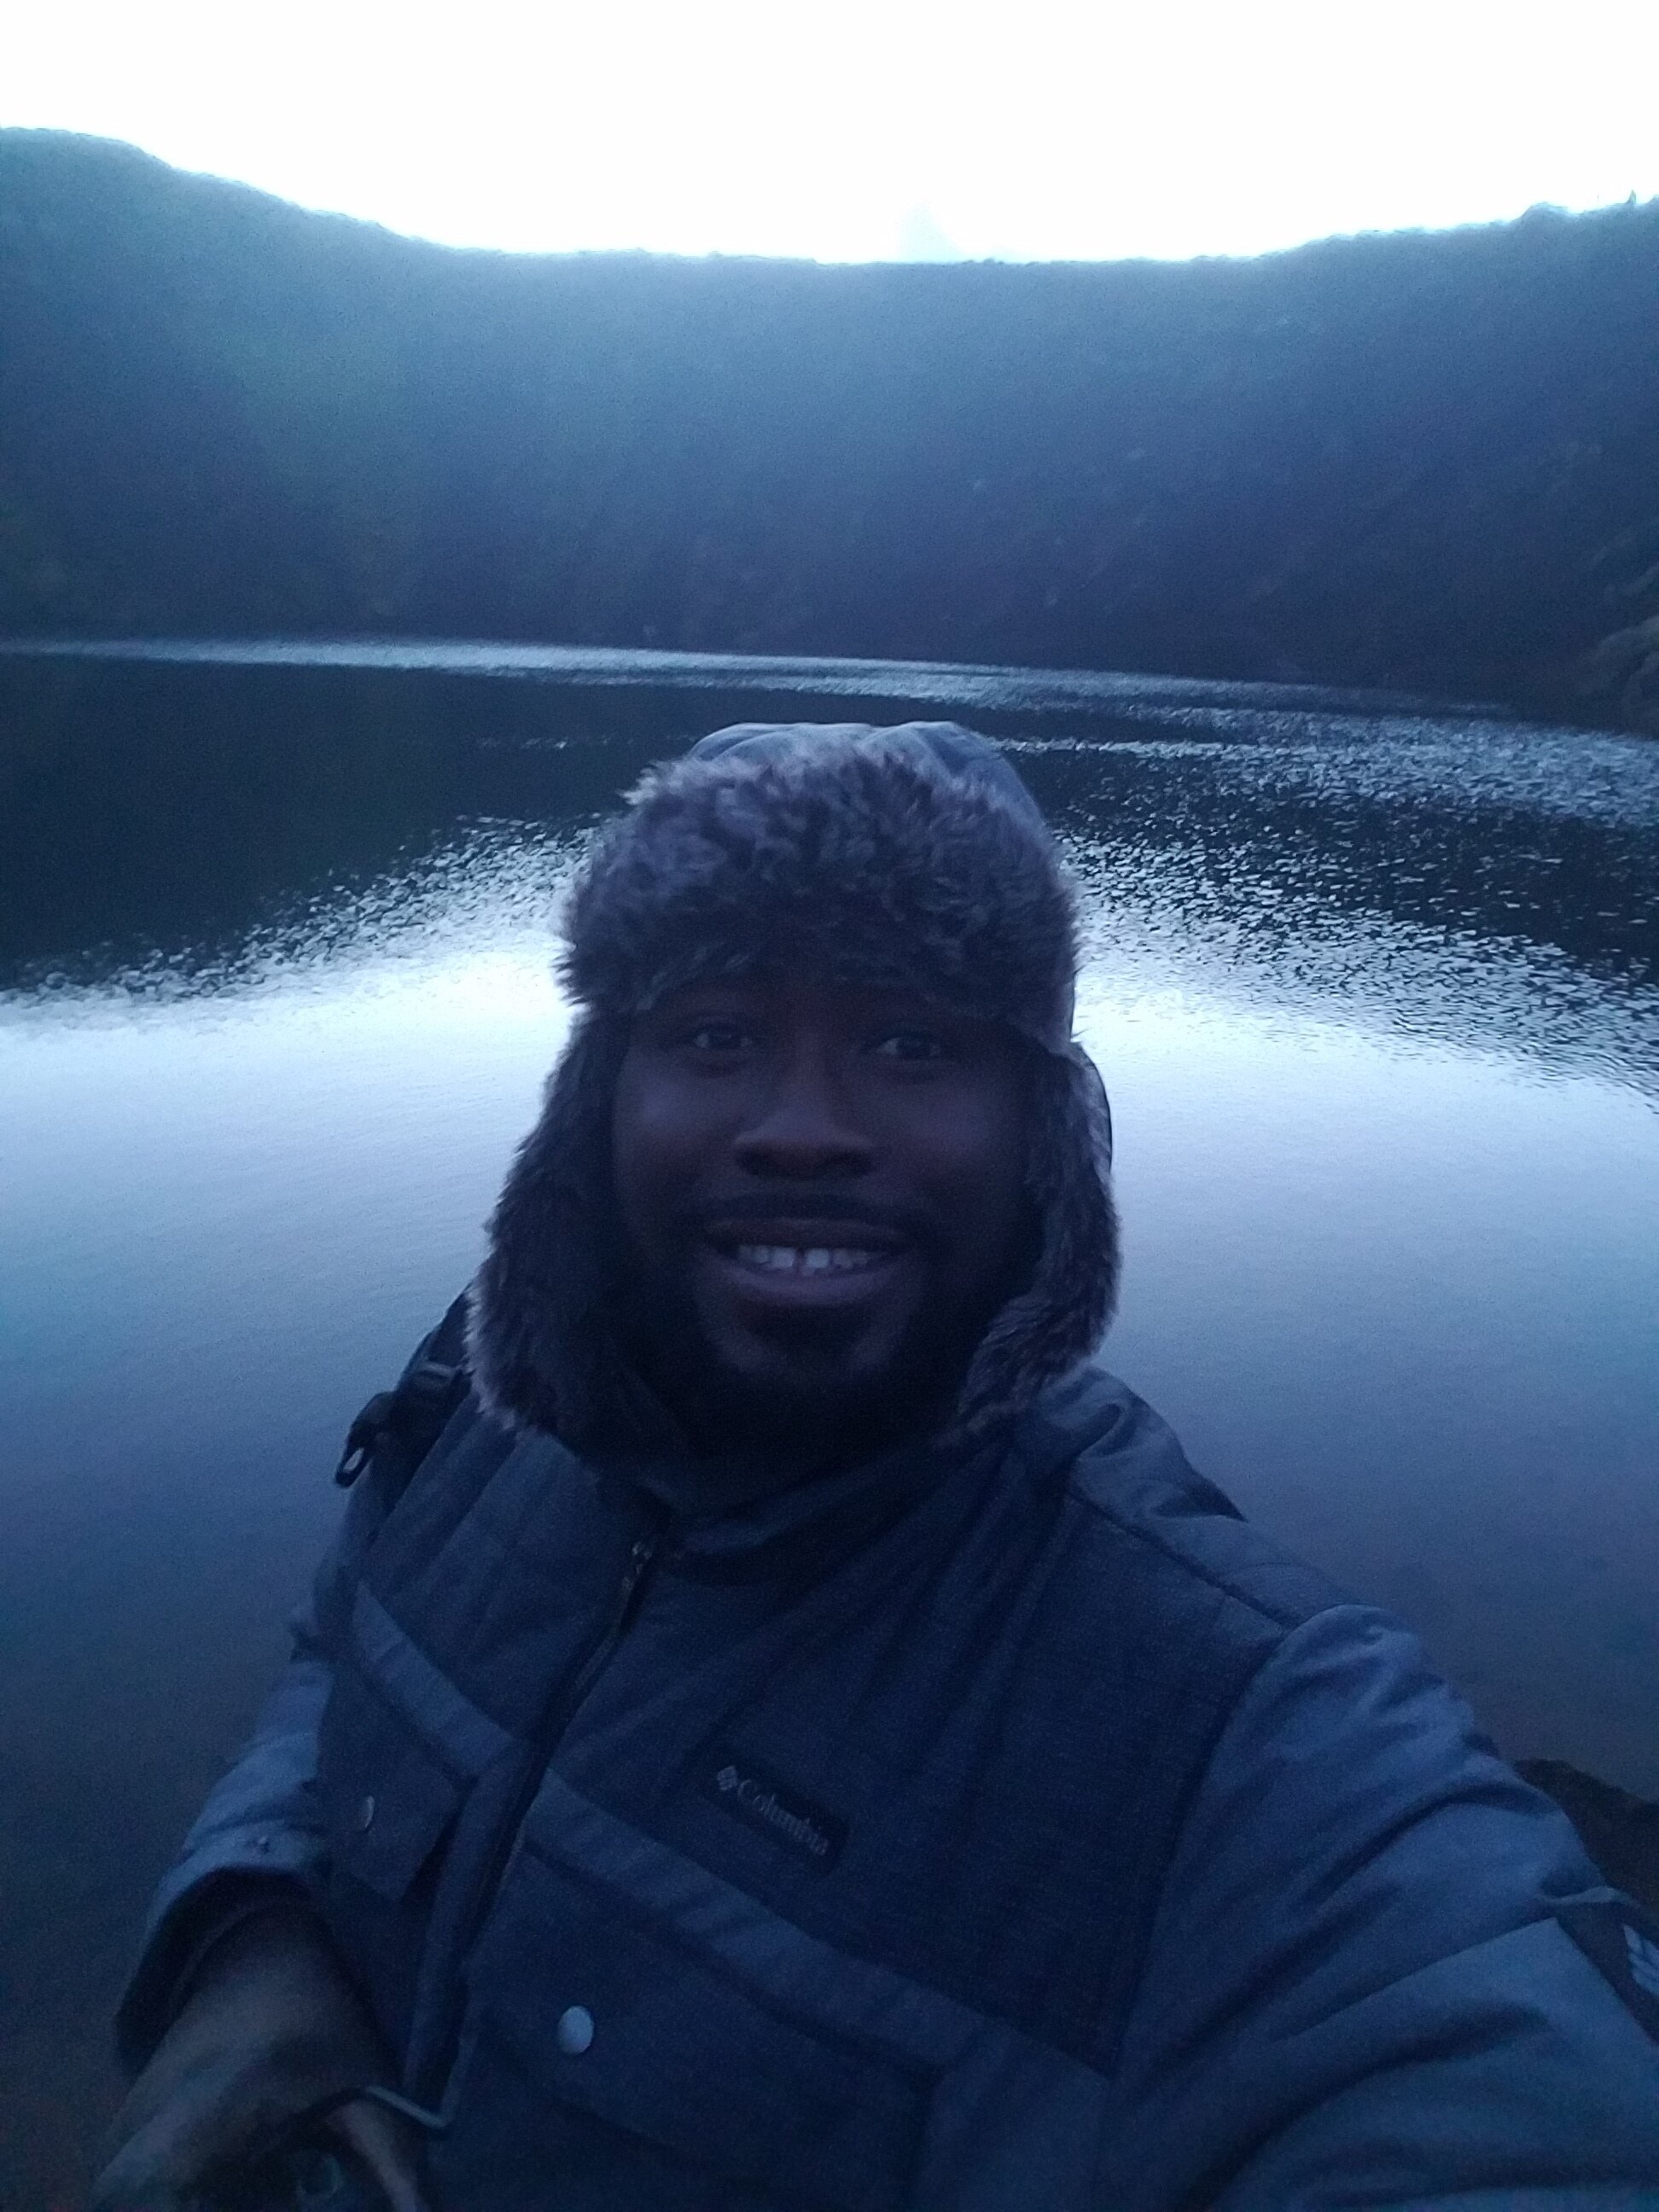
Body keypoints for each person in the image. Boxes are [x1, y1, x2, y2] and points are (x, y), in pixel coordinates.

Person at [95, 724, 1659, 2211]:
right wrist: (248, 1941)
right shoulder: (474, 1415)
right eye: (716, 1033)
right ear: (600, 1102)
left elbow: (1471, 2051)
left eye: (911, 1041)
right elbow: (337, 1662)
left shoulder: (1238, 1735)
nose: (802, 1127)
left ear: (1041, 1138)